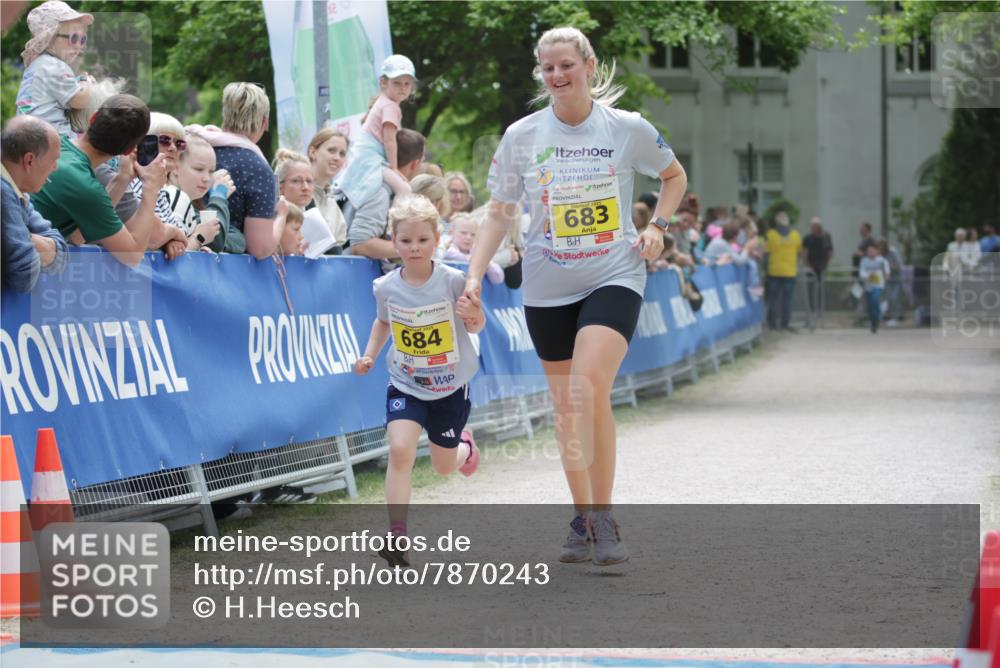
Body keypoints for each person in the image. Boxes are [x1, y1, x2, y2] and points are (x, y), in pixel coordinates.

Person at [463, 26, 686, 566]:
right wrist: (473, 276)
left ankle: (605, 516)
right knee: (566, 408)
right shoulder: (522, 136)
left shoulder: (625, 128)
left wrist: (657, 226)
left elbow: (674, 176)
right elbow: (499, 213)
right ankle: (583, 515)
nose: (558, 76)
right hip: (547, 285)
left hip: (614, 273)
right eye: (548, 69)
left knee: (587, 389)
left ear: (588, 64)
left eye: (567, 65)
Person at [354, 194, 484, 567]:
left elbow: (478, 324)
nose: (414, 248)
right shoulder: (386, 287)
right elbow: (383, 322)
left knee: (444, 466)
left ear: (437, 238)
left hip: (449, 387)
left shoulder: (453, 281)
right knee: (399, 450)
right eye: (406, 240)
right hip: (406, 382)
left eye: (422, 240)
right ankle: (397, 536)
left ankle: (465, 449)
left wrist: (473, 315)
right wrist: (369, 355)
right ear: (393, 240)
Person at [30, 94, 170, 268]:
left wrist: (122, 179)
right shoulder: (87, 187)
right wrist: (151, 187)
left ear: (93, 117)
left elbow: (77, 236)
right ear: (129, 151)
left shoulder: (53, 146)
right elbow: (132, 256)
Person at [189, 82, 287, 259]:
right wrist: (281, 216)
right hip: (226, 271)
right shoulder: (258, 169)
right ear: (264, 122)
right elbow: (259, 249)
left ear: (225, 114)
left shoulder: (193, 148)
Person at [336, 55, 415, 209]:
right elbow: (389, 141)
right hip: (372, 159)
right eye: (397, 83)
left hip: (367, 157)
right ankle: (394, 227)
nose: (403, 88)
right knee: (404, 190)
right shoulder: (390, 106)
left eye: (407, 83)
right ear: (383, 82)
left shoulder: (384, 102)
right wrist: (394, 168)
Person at [1, 116, 68, 292]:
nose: (56, 168)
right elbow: (23, 277)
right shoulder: (3, 191)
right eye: (54, 159)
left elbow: (62, 253)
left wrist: (24, 238)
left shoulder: (16, 190)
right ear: (29, 160)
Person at [344, 128, 425, 261]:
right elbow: (360, 244)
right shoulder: (379, 190)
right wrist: (415, 249)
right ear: (415, 164)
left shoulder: (380, 183)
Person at [16, 1, 94, 137]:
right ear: (50, 38)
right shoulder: (55, 66)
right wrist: (86, 84)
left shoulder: (38, 64)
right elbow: (80, 101)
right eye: (74, 38)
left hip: (27, 136)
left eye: (82, 39)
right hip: (50, 139)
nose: (78, 46)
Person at [163, 133, 243, 253]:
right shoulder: (170, 196)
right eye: (198, 169)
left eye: (211, 171)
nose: (206, 178)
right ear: (175, 167)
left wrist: (202, 240)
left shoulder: (187, 203)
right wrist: (219, 197)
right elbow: (216, 240)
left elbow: (238, 239)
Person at [306, 128, 349, 251]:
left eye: (342, 154)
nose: (337, 158)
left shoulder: (331, 200)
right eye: (331, 150)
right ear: (313, 152)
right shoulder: (295, 191)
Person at [764, 210, 802, 331]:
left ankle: (773, 324)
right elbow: (799, 252)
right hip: (790, 272)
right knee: (787, 300)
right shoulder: (795, 235)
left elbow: (766, 252)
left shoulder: (771, 234)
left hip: (774, 271)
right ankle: (785, 324)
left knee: (773, 299)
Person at [443, 213, 504, 284]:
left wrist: (488, 265)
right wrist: (476, 260)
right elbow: (450, 254)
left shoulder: (477, 252)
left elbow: (498, 279)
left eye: (473, 234)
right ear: (451, 233)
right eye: (463, 233)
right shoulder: (446, 248)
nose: (468, 237)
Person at [801, 216, 833, 321]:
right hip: (811, 268)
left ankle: (820, 311)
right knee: (811, 289)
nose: (812, 228)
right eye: (811, 226)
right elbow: (804, 253)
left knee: (821, 290)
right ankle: (811, 311)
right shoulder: (808, 238)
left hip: (822, 267)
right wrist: (807, 265)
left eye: (814, 226)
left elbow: (830, 251)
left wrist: (827, 263)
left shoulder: (826, 236)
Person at [859, 243, 890, 333]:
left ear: (876, 251)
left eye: (872, 251)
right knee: (871, 305)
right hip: (868, 286)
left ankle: (876, 320)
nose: (871, 253)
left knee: (875, 300)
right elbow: (862, 273)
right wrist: (868, 276)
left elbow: (886, 270)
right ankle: (873, 321)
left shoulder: (881, 260)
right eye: (869, 251)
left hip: (878, 285)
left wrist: (887, 275)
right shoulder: (864, 261)